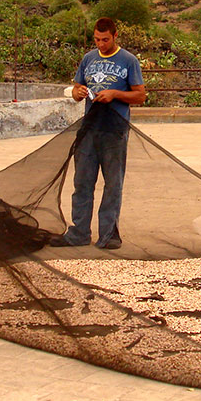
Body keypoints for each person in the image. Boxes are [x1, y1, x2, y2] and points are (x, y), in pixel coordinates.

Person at [50, 17, 145, 249]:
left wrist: (115, 94)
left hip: (115, 130)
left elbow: (140, 96)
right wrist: (77, 92)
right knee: (82, 182)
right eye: (96, 39)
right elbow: (74, 89)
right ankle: (79, 233)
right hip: (89, 129)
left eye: (105, 40)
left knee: (113, 184)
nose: (100, 44)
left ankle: (109, 234)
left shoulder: (128, 61)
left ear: (115, 36)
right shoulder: (88, 59)